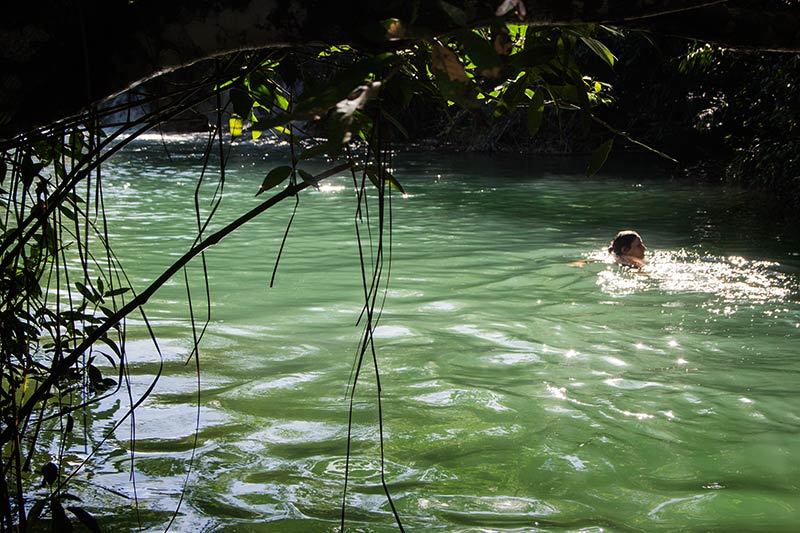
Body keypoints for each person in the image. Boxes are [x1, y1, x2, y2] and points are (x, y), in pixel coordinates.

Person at [569, 230, 647, 268]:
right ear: (625, 250)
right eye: (639, 246)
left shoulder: (612, 257)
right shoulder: (631, 263)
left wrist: (582, 262)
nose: (644, 248)